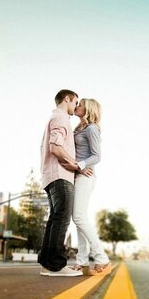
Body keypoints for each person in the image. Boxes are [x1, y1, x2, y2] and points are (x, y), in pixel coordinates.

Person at [38, 89, 90, 277]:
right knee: (61, 219)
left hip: (51, 175)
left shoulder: (54, 118)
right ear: (67, 99)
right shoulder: (61, 119)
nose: (76, 106)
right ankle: (56, 266)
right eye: (75, 102)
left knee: (55, 219)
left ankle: (47, 265)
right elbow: (55, 146)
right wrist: (77, 165)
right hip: (60, 176)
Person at [71, 98, 112, 274]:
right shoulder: (78, 128)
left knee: (78, 216)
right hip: (77, 176)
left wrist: (79, 166)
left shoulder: (92, 128)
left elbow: (97, 156)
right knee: (79, 218)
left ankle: (101, 256)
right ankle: (82, 260)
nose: (77, 106)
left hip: (86, 176)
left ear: (87, 109)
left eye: (80, 105)